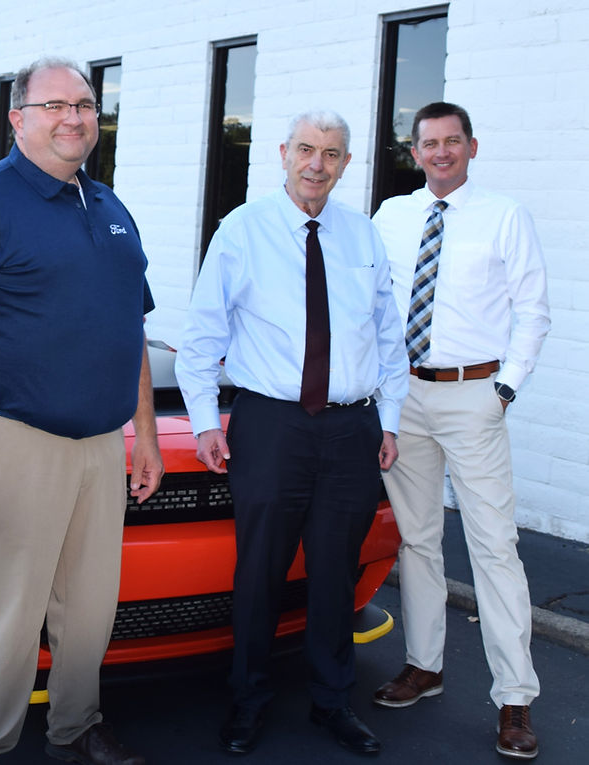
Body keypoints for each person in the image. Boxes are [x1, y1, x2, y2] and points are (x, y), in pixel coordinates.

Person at [0, 57, 163, 765]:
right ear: (18, 117)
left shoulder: (111, 208)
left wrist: (142, 430)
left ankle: (75, 727)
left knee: (88, 614)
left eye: (84, 104)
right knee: (6, 620)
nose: (74, 117)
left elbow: (130, 327)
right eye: (55, 105)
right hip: (16, 441)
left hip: (100, 448)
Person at [175, 110, 407, 757]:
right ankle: (247, 700)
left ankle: (333, 702)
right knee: (261, 574)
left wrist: (388, 419)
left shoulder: (363, 237)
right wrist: (201, 419)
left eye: (331, 153)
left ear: (345, 163)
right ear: (283, 153)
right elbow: (202, 337)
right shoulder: (242, 231)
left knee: (335, 573)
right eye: (306, 149)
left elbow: (390, 338)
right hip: (272, 426)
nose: (317, 164)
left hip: (351, 428)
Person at [371, 101, 550, 760]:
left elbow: (534, 312)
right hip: (404, 396)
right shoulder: (390, 217)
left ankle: (514, 697)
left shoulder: (505, 216)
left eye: (452, 142)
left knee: (494, 546)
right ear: (413, 151)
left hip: (475, 393)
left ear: (472, 147)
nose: (440, 152)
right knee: (416, 539)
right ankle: (425, 664)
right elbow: (370, 301)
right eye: (428, 143)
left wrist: (504, 389)